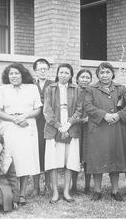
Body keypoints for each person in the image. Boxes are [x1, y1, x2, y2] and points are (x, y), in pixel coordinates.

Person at [84, 62, 126, 202]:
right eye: (101, 73)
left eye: (107, 72)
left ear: (112, 74)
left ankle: (115, 191)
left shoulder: (121, 89)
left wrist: (118, 115)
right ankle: (97, 191)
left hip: (116, 128)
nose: (105, 75)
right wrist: (104, 115)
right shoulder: (91, 89)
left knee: (115, 159)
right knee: (97, 159)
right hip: (98, 128)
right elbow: (87, 106)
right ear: (97, 75)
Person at [0, 63, 42, 205]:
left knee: (25, 159)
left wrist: (24, 117)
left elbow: (38, 109)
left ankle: (22, 194)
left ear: (22, 74)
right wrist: (14, 119)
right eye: (11, 74)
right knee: (11, 159)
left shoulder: (32, 88)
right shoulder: (3, 89)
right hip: (9, 125)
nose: (13, 76)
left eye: (16, 73)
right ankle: (11, 192)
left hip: (27, 125)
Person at [43, 63, 82, 203]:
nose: (64, 75)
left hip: (71, 128)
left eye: (67, 73)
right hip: (54, 129)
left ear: (71, 75)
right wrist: (59, 127)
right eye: (61, 72)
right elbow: (47, 110)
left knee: (69, 161)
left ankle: (66, 191)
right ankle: (55, 192)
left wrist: (68, 125)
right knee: (54, 161)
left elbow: (79, 109)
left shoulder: (76, 89)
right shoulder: (50, 88)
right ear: (57, 74)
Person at [32, 58, 53, 195]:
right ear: (35, 71)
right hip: (34, 123)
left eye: (45, 68)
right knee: (35, 153)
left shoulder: (53, 85)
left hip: (48, 123)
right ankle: (35, 187)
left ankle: (48, 185)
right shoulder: (30, 85)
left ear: (48, 70)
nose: (43, 71)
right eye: (40, 69)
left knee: (48, 152)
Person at [71, 69, 93, 194]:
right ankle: (73, 185)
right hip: (75, 126)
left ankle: (87, 186)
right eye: (82, 77)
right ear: (77, 79)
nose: (84, 79)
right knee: (74, 155)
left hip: (89, 127)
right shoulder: (73, 91)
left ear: (90, 80)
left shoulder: (93, 92)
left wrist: (90, 117)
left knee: (88, 157)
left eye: (87, 77)